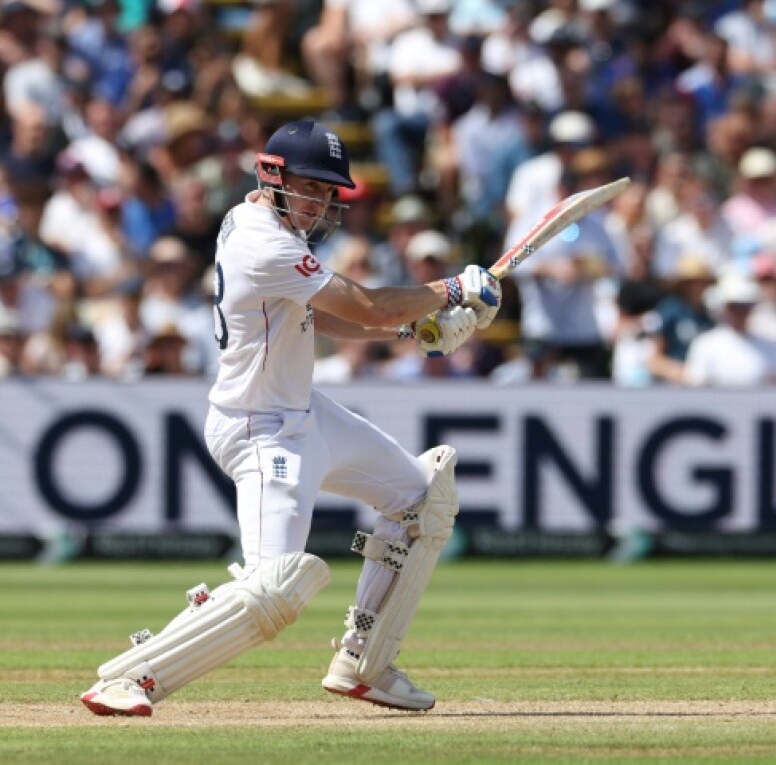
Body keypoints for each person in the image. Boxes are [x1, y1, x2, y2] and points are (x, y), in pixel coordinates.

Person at [78, 120, 503, 717]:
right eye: (312, 187)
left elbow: (324, 317)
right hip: (261, 429)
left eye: (330, 191)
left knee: (421, 498)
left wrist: (412, 327)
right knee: (273, 585)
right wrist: (450, 288)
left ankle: (365, 663)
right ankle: (131, 677)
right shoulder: (265, 242)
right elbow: (366, 305)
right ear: (272, 177)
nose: (322, 201)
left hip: (302, 412)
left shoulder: (261, 222)